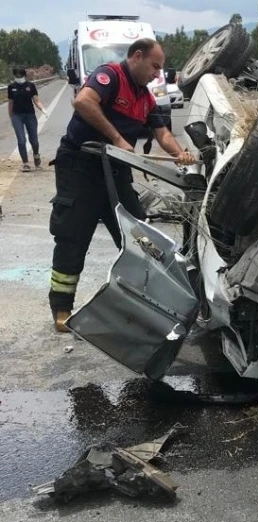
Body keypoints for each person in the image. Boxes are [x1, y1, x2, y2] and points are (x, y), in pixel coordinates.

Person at [48, 38, 196, 333]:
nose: (157, 74)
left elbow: (163, 133)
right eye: (154, 66)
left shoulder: (146, 98)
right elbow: (83, 102)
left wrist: (180, 154)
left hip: (115, 171)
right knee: (73, 236)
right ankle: (62, 309)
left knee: (139, 238)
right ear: (137, 57)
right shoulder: (110, 76)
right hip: (81, 166)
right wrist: (117, 138)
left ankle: (145, 305)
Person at [7, 66, 48, 172]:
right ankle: (25, 163)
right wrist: (11, 117)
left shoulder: (31, 86)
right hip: (17, 116)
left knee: (34, 140)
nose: (18, 77)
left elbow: (36, 100)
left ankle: (36, 155)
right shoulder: (11, 87)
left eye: (20, 76)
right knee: (21, 140)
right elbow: (10, 103)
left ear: (24, 75)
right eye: (16, 76)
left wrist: (43, 109)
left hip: (30, 115)